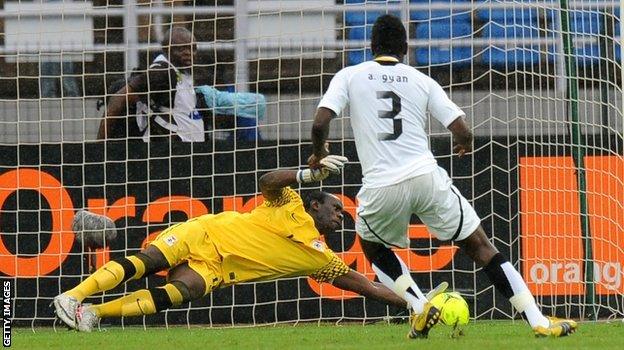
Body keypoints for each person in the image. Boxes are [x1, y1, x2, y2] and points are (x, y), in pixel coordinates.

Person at [308, 14, 577, 339]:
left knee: (374, 248)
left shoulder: (349, 75)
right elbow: (463, 131)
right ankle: (537, 320)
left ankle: (419, 307)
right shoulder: (421, 80)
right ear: (405, 49)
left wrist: (320, 152)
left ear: (371, 46)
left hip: (381, 186)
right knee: (480, 246)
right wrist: (462, 143)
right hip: (426, 176)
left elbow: (320, 123)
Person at [53, 155, 445, 332]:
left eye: (343, 214)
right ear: (315, 203)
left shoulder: (320, 258)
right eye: (336, 208)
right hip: (205, 232)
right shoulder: (290, 201)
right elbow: (269, 181)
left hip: (218, 269)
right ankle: (72, 297)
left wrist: (415, 302)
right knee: (148, 260)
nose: (341, 216)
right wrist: (306, 174)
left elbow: (367, 286)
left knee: (180, 291)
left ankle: (94, 313)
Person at [97, 26, 203, 142]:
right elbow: (118, 100)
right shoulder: (161, 72)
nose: (189, 53)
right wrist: (100, 147)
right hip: (170, 151)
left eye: (193, 48)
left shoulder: (184, 72)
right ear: (167, 49)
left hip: (188, 149)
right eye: (182, 49)